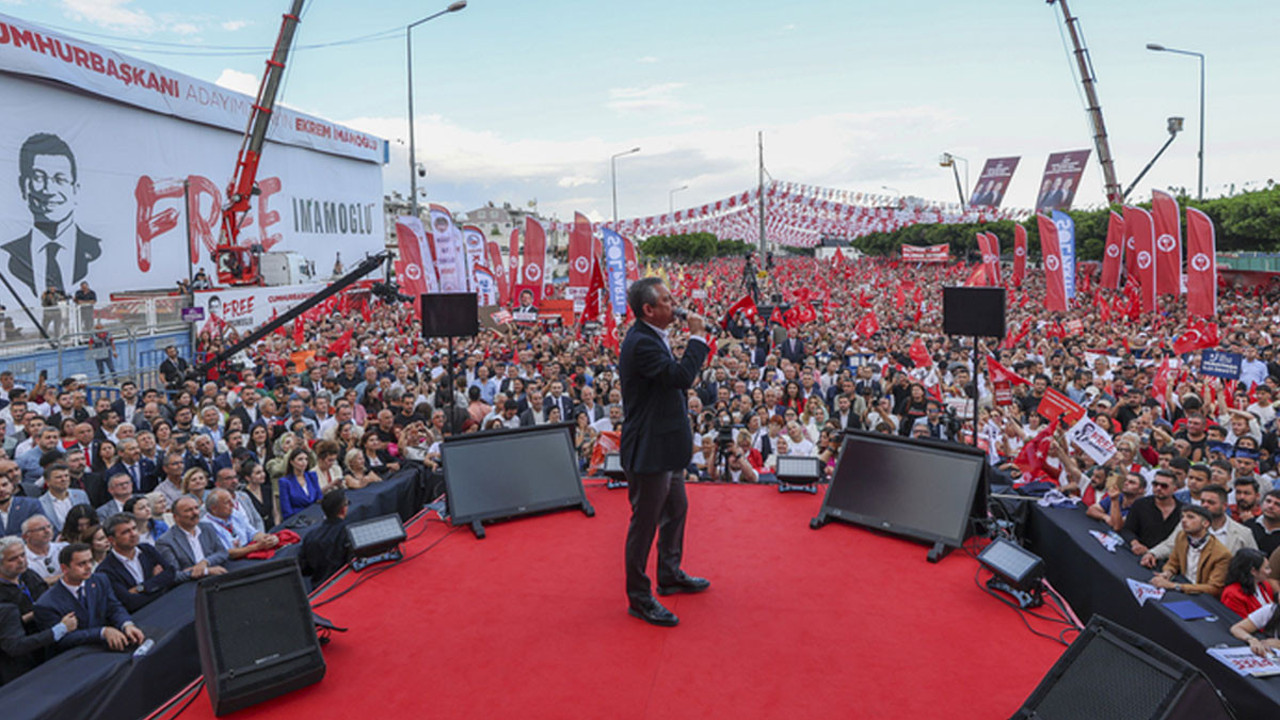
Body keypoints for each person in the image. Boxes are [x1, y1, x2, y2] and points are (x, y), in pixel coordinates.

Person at [619, 278, 711, 628]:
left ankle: (670, 574)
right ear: (649, 310)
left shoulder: (652, 335)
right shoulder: (641, 343)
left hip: (666, 444)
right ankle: (639, 598)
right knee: (644, 525)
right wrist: (698, 337)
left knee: (676, 509)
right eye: (668, 301)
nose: (676, 305)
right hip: (649, 450)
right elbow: (681, 376)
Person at [3, 134, 103, 313]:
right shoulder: (8, 256)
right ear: (24, 186)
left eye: (60, 179)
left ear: (75, 189)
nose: (48, 190)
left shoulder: (95, 249)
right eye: (39, 178)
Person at [33, 543, 145, 653]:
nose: (89, 567)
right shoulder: (46, 603)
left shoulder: (100, 580)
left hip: (107, 648)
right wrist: (101, 632)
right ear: (64, 568)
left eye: (90, 561)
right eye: (82, 564)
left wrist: (127, 625)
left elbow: (114, 607)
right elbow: (61, 639)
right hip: (76, 657)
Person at [95, 513, 177, 612]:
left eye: (134, 528)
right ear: (111, 540)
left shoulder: (147, 550)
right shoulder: (105, 570)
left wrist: (141, 588)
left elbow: (170, 573)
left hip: (167, 606)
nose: (133, 534)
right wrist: (158, 584)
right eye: (126, 532)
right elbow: (130, 602)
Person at [1148, 505, 1231, 598]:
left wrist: (1174, 586)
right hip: (1183, 591)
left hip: (1204, 599)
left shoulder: (1222, 554)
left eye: (1190, 517)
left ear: (1205, 524)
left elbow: (1214, 589)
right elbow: (1173, 563)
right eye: (1182, 516)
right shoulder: (1182, 537)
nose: (1184, 520)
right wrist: (1167, 573)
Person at [154, 496, 229, 578]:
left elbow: (222, 552)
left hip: (216, 576)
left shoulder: (207, 527)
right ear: (175, 517)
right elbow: (173, 575)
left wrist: (205, 562)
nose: (195, 513)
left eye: (196, 508)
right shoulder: (165, 541)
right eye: (188, 510)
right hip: (190, 584)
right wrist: (205, 571)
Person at [298, 489, 352, 588]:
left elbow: (304, 568)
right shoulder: (349, 532)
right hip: (345, 586)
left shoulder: (310, 536)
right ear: (343, 509)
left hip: (320, 590)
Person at [1220, 549, 1277, 619]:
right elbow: (1240, 623)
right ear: (1253, 571)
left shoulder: (1265, 585)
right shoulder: (1233, 595)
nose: (1270, 571)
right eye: (1267, 568)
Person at [279, 448, 323, 520]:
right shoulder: (285, 482)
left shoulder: (312, 476)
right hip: (298, 520)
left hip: (315, 517)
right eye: (300, 459)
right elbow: (286, 509)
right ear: (292, 462)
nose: (304, 462)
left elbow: (319, 498)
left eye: (306, 459)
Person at [0, 470, 44, 536]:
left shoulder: (31, 504)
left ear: (12, 485)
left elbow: (41, 529)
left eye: (5, 485)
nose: (1, 490)